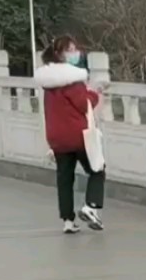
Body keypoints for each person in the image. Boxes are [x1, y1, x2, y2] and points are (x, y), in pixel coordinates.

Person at [33, 36, 105, 233]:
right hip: (78, 135)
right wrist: (95, 93)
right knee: (97, 169)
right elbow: (83, 104)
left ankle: (68, 221)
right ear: (60, 54)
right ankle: (91, 206)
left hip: (57, 136)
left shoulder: (48, 82)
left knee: (64, 178)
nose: (76, 53)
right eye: (71, 50)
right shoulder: (73, 79)